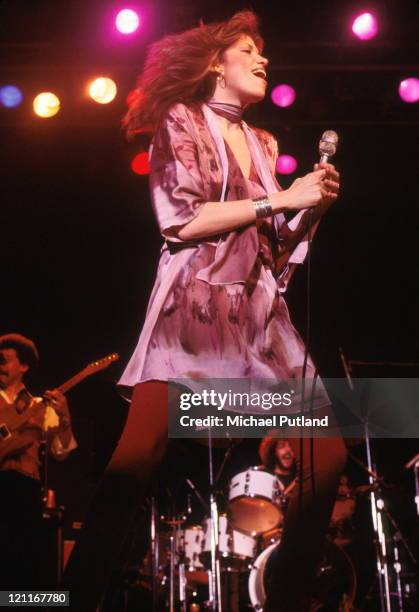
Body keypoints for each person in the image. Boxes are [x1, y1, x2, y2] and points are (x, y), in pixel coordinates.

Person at [63, 10, 346, 611]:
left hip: (260, 315)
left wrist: (309, 210)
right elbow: (180, 221)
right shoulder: (182, 120)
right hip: (195, 306)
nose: (263, 58)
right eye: (249, 49)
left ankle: (289, 599)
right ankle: (70, 598)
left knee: (329, 452)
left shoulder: (265, 143)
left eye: (263, 50)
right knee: (136, 461)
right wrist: (281, 198)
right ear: (217, 64)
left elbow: (272, 249)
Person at [0, 333, 77, 589]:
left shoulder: (39, 407)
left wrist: (64, 418)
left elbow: (61, 451)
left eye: (4, 360)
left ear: (23, 366)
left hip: (24, 492)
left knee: (23, 570)